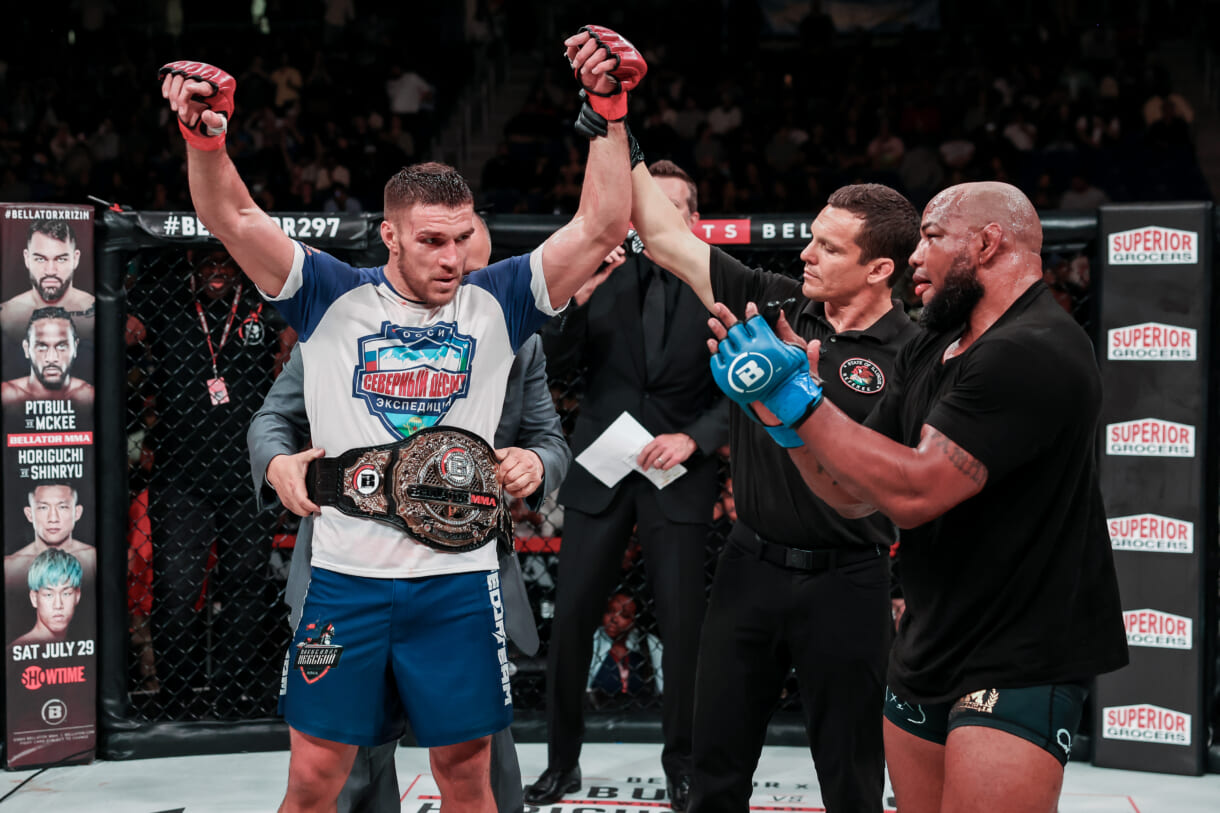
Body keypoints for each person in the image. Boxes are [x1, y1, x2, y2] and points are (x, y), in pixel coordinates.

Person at [159, 25, 641, 810]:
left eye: (462, 238)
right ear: (389, 235)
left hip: (458, 581)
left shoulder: (499, 300)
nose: (452, 258)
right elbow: (234, 218)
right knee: (313, 781)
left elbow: (602, 225)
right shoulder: (330, 294)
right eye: (432, 241)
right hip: (345, 579)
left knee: (467, 777)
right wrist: (205, 140)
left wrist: (609, 110)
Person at [705, 181, 1128, 813]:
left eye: (931, 238)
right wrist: (781, 417)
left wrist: (800, 400)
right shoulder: (934, 345)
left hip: (1019, 649)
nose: (914, 257)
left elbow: (913, 493)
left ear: (987, 243)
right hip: (930, 639)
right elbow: (854, 495)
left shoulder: (1035, 348)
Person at [248, 213, 572, 813]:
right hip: (351, 570)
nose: (458, 273)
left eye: (477, 267)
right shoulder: (340, 326)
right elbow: (273, 419)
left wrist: (535, 461)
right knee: (346, 778)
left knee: (481, 775)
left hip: (463, 580)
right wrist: (277, 465)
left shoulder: (514, 334)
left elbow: (550, 439)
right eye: (442, 253)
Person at [629, 149, 922, 810]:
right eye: (812, 238)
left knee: (851, 776)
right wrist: (618, 127)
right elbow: (667, 237)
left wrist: (798, 405)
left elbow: (878, 489)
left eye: (829, 247)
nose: (807, 254)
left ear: (880, 268)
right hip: (749, 566)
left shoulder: (914, 356)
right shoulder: (775, 301)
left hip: (850, 578)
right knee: (715, 766)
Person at [530, 160, 728, 812]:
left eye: (671, 209)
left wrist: (694, 438)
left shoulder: (719, 282)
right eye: (648, 210)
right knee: (570, 622)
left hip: (678, 472)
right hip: (602, 469)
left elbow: (745, 384)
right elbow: (554, 363)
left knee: (684, 626)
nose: (657, 220)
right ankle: (561, 763)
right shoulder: (604, 274)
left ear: (693, 218)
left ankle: (684, 766)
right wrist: (581, 291)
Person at [139, 247, 290, 717]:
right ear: (193, 265)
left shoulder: (263, 305)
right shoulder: (167, 300)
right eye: (209, 263)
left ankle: (230, 691)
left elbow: (299, 339)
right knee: (177, 589)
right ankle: (177, 695)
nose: (218, 272)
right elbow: (128, 327)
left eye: (226, 263)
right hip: (181, 474)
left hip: (249, 474)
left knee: (246, 584)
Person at [5, 484, 97, 632]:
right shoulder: (10, 567)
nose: (53, 518)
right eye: (43, 507)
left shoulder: (94, 559)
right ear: (29, 514)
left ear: (77, 512)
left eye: (62, 507)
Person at [0, 219, 95, 349]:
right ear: (27, 259)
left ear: (75, 258)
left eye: (61, 259)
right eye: (40, 259)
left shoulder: (96, 312)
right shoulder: (6, 315)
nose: (50, 271)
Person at [0, 307, 94, 406]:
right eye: (42, 346)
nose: (51, 358)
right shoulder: (6, 396)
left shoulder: (89, 397)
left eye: (62, 346)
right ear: (26, 348)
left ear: (75, 347)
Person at [11, 548, 83, 647]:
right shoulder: (16, 651)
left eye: (66, 593)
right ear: (34, 598)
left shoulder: (79, 649)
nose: (58, 605)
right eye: (49, 595)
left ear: (77, 595)